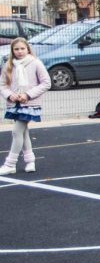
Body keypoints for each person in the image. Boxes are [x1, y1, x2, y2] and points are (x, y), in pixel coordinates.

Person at [0, 38, 51, 175]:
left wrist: (27, 95)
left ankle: (10, 164)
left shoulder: (35, 63)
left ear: (28, 49)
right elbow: (2, 84)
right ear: (12, 51)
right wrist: (10, 95)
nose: (20, 51)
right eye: (16, 49)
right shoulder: (9, 65)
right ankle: (30, 161)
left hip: (30, 104)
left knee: (16, 132)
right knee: (23, 132)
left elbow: (46, 83)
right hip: (14, 104)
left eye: (22, 48)